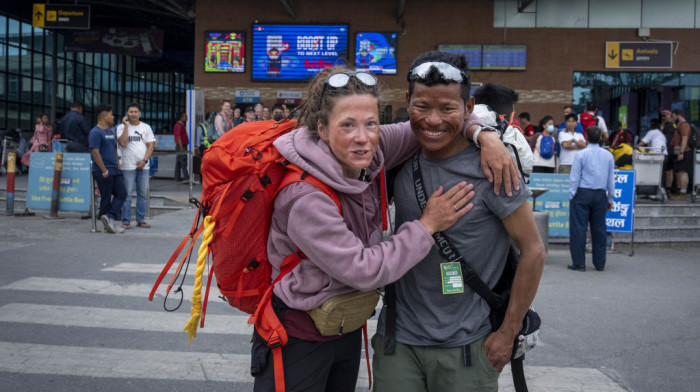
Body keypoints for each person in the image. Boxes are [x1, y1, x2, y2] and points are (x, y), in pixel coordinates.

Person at [251, 65, 479, 392]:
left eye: (371, 123)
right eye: (347, 125)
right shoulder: (305, 197)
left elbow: (431, 124)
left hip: (343, 325)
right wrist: (427, 225)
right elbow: (363, 269)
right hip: (298, 334)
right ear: (323, 129)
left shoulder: (370, 149)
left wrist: (481, 133)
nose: (363, 137)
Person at [372, 52, 545, 392]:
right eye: (422, 106)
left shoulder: (494, 168)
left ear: (468, 109)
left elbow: (533, 250)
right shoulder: (399, 157)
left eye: (448, 109)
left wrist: (508, 333)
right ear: (407, 101)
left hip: (468, 347)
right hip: (397, 343)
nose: (433, 121)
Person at [567, 126, 614, 272]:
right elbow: (610, 180)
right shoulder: (608, 155)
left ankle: (579, 263)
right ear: (600, 137)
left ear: (586, 138)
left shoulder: (581, 154)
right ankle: (600, 263)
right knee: (599, 229)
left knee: (579, 229)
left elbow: (575, 177)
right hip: (600, 194)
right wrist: (610, 198)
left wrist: (572, 194)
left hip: (582, 194)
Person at [116, 103, 155, 230]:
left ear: (140, 114)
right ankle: (126, 221)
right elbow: (122, 143)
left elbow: (150, 145)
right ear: (127, 114)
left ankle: (141, 219)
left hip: (143, 166)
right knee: (127, 195)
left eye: (135, 111)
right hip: (127, 166)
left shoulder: (146, 127)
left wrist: (144, 160)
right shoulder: (121, 128)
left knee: (142, 194)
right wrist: (126, 126)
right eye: (131, 112)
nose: (133, 114)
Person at [89, 104, 126, 234]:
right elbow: (95, 152)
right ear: (104, 116)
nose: (113, 117)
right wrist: (104, 170)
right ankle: (108, 223)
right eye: (111, 114)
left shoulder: (110, 131)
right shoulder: (95, 132)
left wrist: (117, 165)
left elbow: (114, 149)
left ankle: (109, 217)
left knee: (122, 193)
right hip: (102, 169)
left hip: (114, 169)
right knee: (106, 197)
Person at [670, 109, 693, 201]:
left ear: (677, 115)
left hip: (684, 151)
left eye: (673, 116)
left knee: (683, 171)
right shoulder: (679, 125)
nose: (672, 118)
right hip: (679, 150)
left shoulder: (684, 125)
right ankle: (680, 192)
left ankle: (683, 193)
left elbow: (684, 139)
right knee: (679, 171)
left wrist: (681, 152)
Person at [660, 110, 676, 196]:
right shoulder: (666, 125)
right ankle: (668, 188)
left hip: (669, 151)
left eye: (665, 115)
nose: (663, 118)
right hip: (669, 150)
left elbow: (668, 140)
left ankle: (668, 188)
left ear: (670, 115)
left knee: (669, 170)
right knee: (669, 170)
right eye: (662, 116)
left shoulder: (670, 126)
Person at [173, 111, 189, 182]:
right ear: (181, 117)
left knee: (178, 163)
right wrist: (181, 146)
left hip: (181, 145)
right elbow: (178, 137)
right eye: (185, 116)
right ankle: (186, 178)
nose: (187, 117)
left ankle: (177, 177)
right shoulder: (179, 125)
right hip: (181, 146)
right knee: (183, 162)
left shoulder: (181, 125)